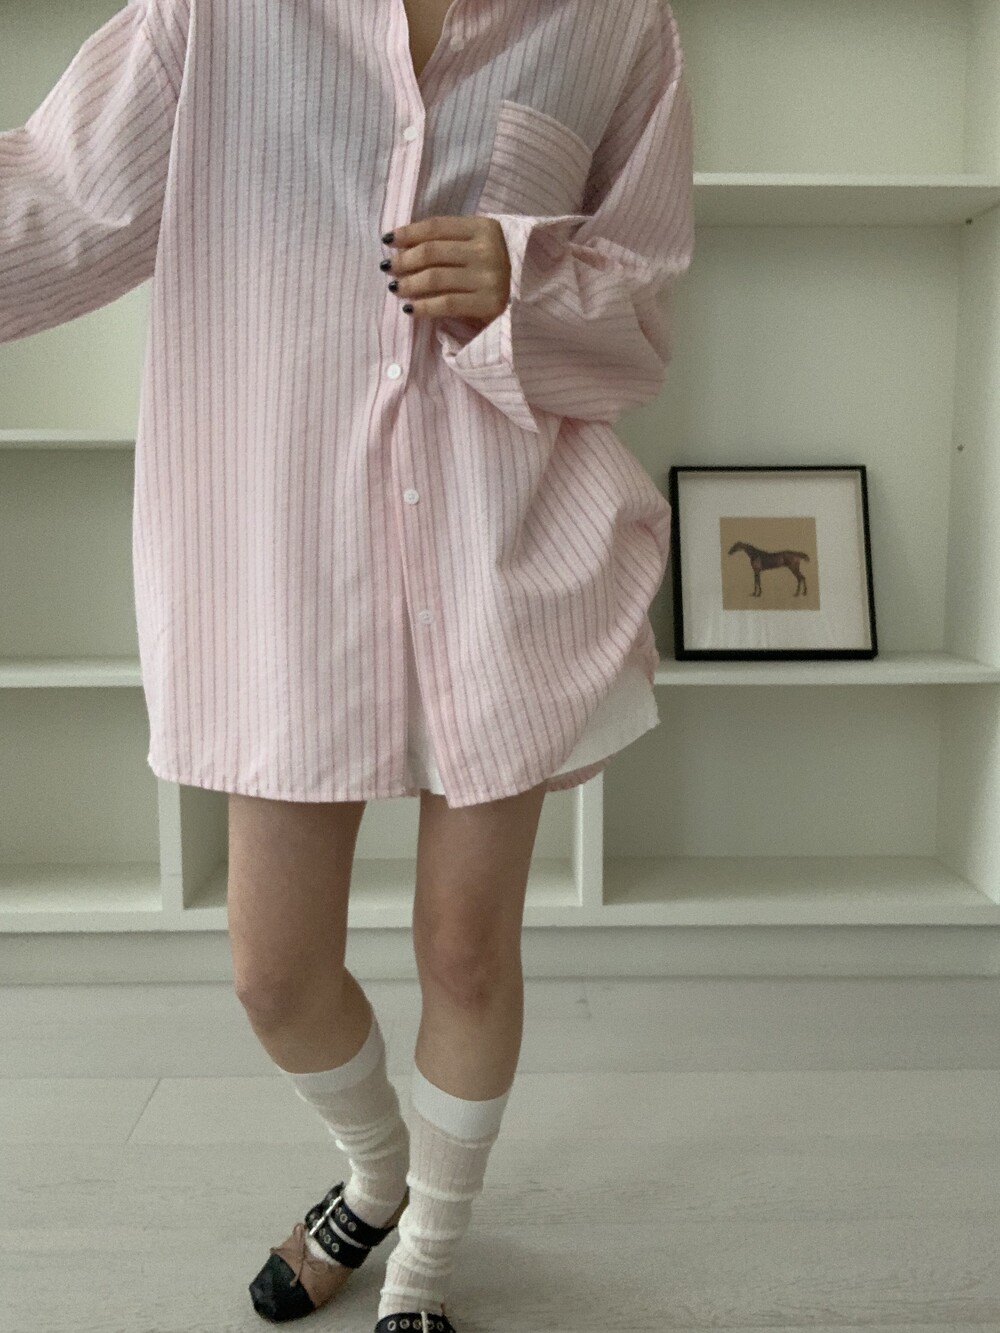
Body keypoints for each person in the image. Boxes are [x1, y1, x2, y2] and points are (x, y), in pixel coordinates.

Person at [0, 0, 695, 1328]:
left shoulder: (615, 21)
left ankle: (426, 1255)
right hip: (283, 569)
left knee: (467, 949)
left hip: (502, 558)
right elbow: (54, 204)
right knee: (274, 970)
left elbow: (642, 301)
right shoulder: (216, 16)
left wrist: (523, 279)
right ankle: (377, 1174)